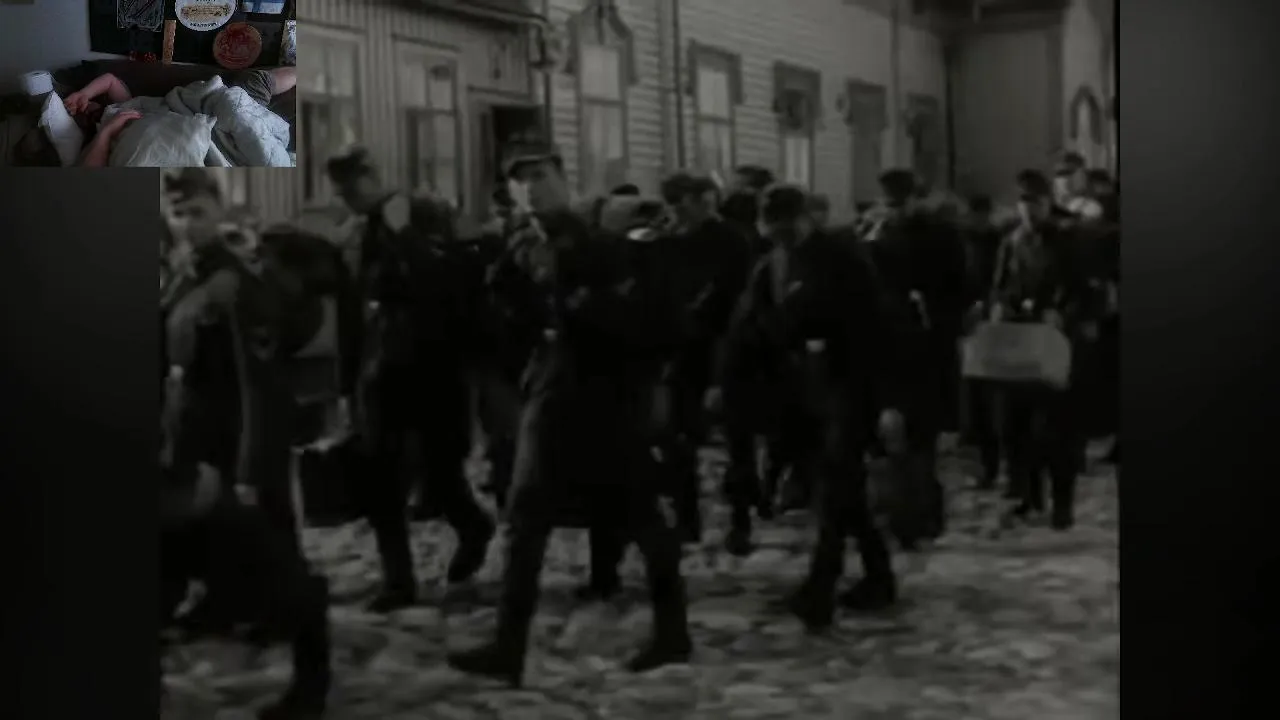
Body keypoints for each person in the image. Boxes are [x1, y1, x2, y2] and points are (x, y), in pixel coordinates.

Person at [447, 143, 692, 685]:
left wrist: (564, 292)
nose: (532, 189)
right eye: (521, 181)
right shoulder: (524, 244)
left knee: (642, 516)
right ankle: (508, 646)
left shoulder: (601, 239)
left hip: (608, 398)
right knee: (525, 521)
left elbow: (636, 317)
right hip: (553, 395)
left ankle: (673, 632)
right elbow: (508, 313)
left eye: (540, 175)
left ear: (562, 177)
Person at [160, 171, 331, 720]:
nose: (189, 224)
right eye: (179, 214)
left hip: (238, 438)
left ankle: (307, 666)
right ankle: (220, 606)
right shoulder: (185, 274)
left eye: (198, 212)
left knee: (270, 551)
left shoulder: (236, 282)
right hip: (191, 438)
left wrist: (251, 467)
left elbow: (257, 381)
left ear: (220, 210)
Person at [721, 184, 906, 629]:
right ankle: (879, 577)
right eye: (772, 226)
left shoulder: (844, 260)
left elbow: (875, 330)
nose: (780, 233)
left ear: (806, 219)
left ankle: (820, 587)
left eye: (788, 224)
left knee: (836, 486)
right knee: (843, 490)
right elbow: (746, 326)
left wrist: (885, 401)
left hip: (846, 386)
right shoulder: (770, 266)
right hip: (798, 392)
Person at [325, 146, 496, 612]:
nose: (348, 199)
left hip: (436, 366)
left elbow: (448, 281)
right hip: (383, 370)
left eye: (352, 188)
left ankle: (474, 526)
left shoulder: (427, 213)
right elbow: (352, 312)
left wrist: (403, 235)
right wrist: (347, 384)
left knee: (442, 476)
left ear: (373, 174)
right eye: (341, 193)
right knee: (380, 480)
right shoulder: (358, 233)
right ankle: (398, 581)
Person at [989, 169, 1092, 529]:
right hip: (1020, 341)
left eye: (1036, 202)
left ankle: (1062, 502)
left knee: (1057, 428)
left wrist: (1063, 314)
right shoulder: (1011, 242)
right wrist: (999, 307)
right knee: (1019, 425)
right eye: (1023, 202)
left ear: (1048, 204)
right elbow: (1000, 286)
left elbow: (1086, 292)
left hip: (1056, 344)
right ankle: (1029, 495)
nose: (1029, 209)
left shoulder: (1068, 241)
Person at [65, 67, 297, 167]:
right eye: (78, 113)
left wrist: (84, 93)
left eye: (82, 106)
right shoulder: (96, 141)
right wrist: (107, 132)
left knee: (240, 97)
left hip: (201, 114)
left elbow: (110, 80)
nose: (83, 108)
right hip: (195, 145)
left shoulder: (118, 106)